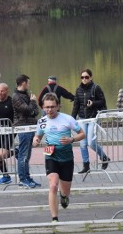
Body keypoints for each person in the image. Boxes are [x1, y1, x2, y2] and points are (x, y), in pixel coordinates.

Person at [33, 94, 85, 222]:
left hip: (66, 157)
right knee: (53, 185)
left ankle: (64, 196)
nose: (49, 110)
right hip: (51, 155)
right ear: (43, 107)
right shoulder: (42, 121)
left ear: (58, 106)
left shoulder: (68, 119)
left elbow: (82, 134)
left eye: (52, 107)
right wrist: (36, 140)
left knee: (65, 190)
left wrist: (71, 139)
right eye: (46, 107)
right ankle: (54, 218)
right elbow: (38, 136)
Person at [71, 68, 110, 174]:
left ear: (90, 77)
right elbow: (76, 105)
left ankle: (104, 157)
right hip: (82, 119)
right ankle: (86, 165)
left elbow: (102, 101)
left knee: (91, 142)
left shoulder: (96, 88)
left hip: (93, 118)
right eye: (82, 77)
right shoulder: (78, 89)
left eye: (86, 77)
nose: (84, 79)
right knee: (82, 143)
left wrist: (93, 103)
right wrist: (72, 119)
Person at [11, 74, 40, 189]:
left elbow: (36, 111)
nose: (29, 84)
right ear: (23, 83)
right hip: (23, 127)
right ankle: (22, 179)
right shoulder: (16, 96)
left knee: (27, 155)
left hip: (31, 126)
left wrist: (33, 106)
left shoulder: (26, 95)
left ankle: (27, 177)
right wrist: (33, 102)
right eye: (28, 82)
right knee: (23, 154)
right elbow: (27, 110)